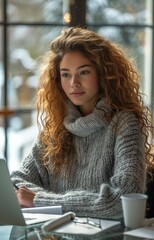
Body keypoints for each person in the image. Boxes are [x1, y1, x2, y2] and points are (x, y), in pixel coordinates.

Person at [11, 27, 154, 219]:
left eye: (84, 72)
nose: (74, 83)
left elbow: (123, 200)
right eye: (66, 74)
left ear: (104, 74)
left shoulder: (124, 124)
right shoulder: (56, 127)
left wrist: (41, 200)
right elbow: (17, 183)